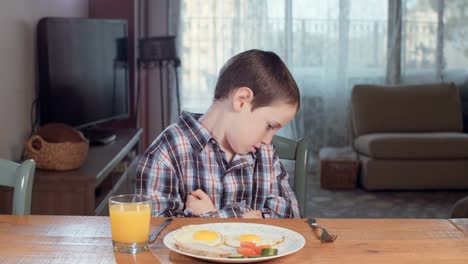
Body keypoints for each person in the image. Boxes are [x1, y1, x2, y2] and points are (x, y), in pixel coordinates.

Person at [136, 49, 301, 218]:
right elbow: (158, 234)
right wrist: (248, 218)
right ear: (241, 100)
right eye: (269, 125)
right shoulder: (166, 153)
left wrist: (212, 216)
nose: (268, 140)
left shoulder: (265, 154)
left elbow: (290, 217)